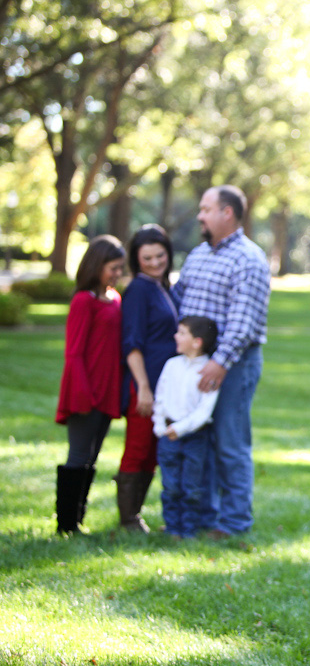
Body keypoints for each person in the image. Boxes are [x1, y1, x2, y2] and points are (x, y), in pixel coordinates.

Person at [172, 184, 271, 539]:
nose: (199, 215)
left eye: (205, 208)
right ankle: (203, 515)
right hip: (196, 364)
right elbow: (180, 302)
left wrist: (221, 362)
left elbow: (244, 321)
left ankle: (234, 522)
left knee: (230, 442)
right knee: (200, 440)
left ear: (226, 213)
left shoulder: (249, 258)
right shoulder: (198, 254)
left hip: (234, 364)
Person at [55, 234, 126, 535]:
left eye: (120, 268)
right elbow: (74, 352)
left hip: (108, 389)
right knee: (78, 455)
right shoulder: (83, 301)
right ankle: (66, 525)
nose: (117, 273)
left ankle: (77, 519)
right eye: (113, 267)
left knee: (92, 457)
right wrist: (82, 393)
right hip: (86, 391)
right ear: (97, 265)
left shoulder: (114, 298)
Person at [115, 224, 180, 532]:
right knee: (138, 449)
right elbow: (132, 343)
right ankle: (128, 519)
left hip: (164, 387)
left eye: (160, 255)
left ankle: (135, 516)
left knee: (152, 453)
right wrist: (142, 387)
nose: (155, 263)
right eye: (147, 258)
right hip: (145, 385)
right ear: (136, 260)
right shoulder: (139, 290)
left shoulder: (161, 286)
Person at [152, 316, 220, 540]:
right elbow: (160, 397)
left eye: (181, 333)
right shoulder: (172, 365)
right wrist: (160, 425)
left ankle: (189, 530)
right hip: (167, 435)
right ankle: (173, 528)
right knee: (170, 485)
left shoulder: (208, 371)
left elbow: (204, 411)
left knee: (191, 487)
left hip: (194, 437)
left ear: (197, 341)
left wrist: (180, 429)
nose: (175, 336)